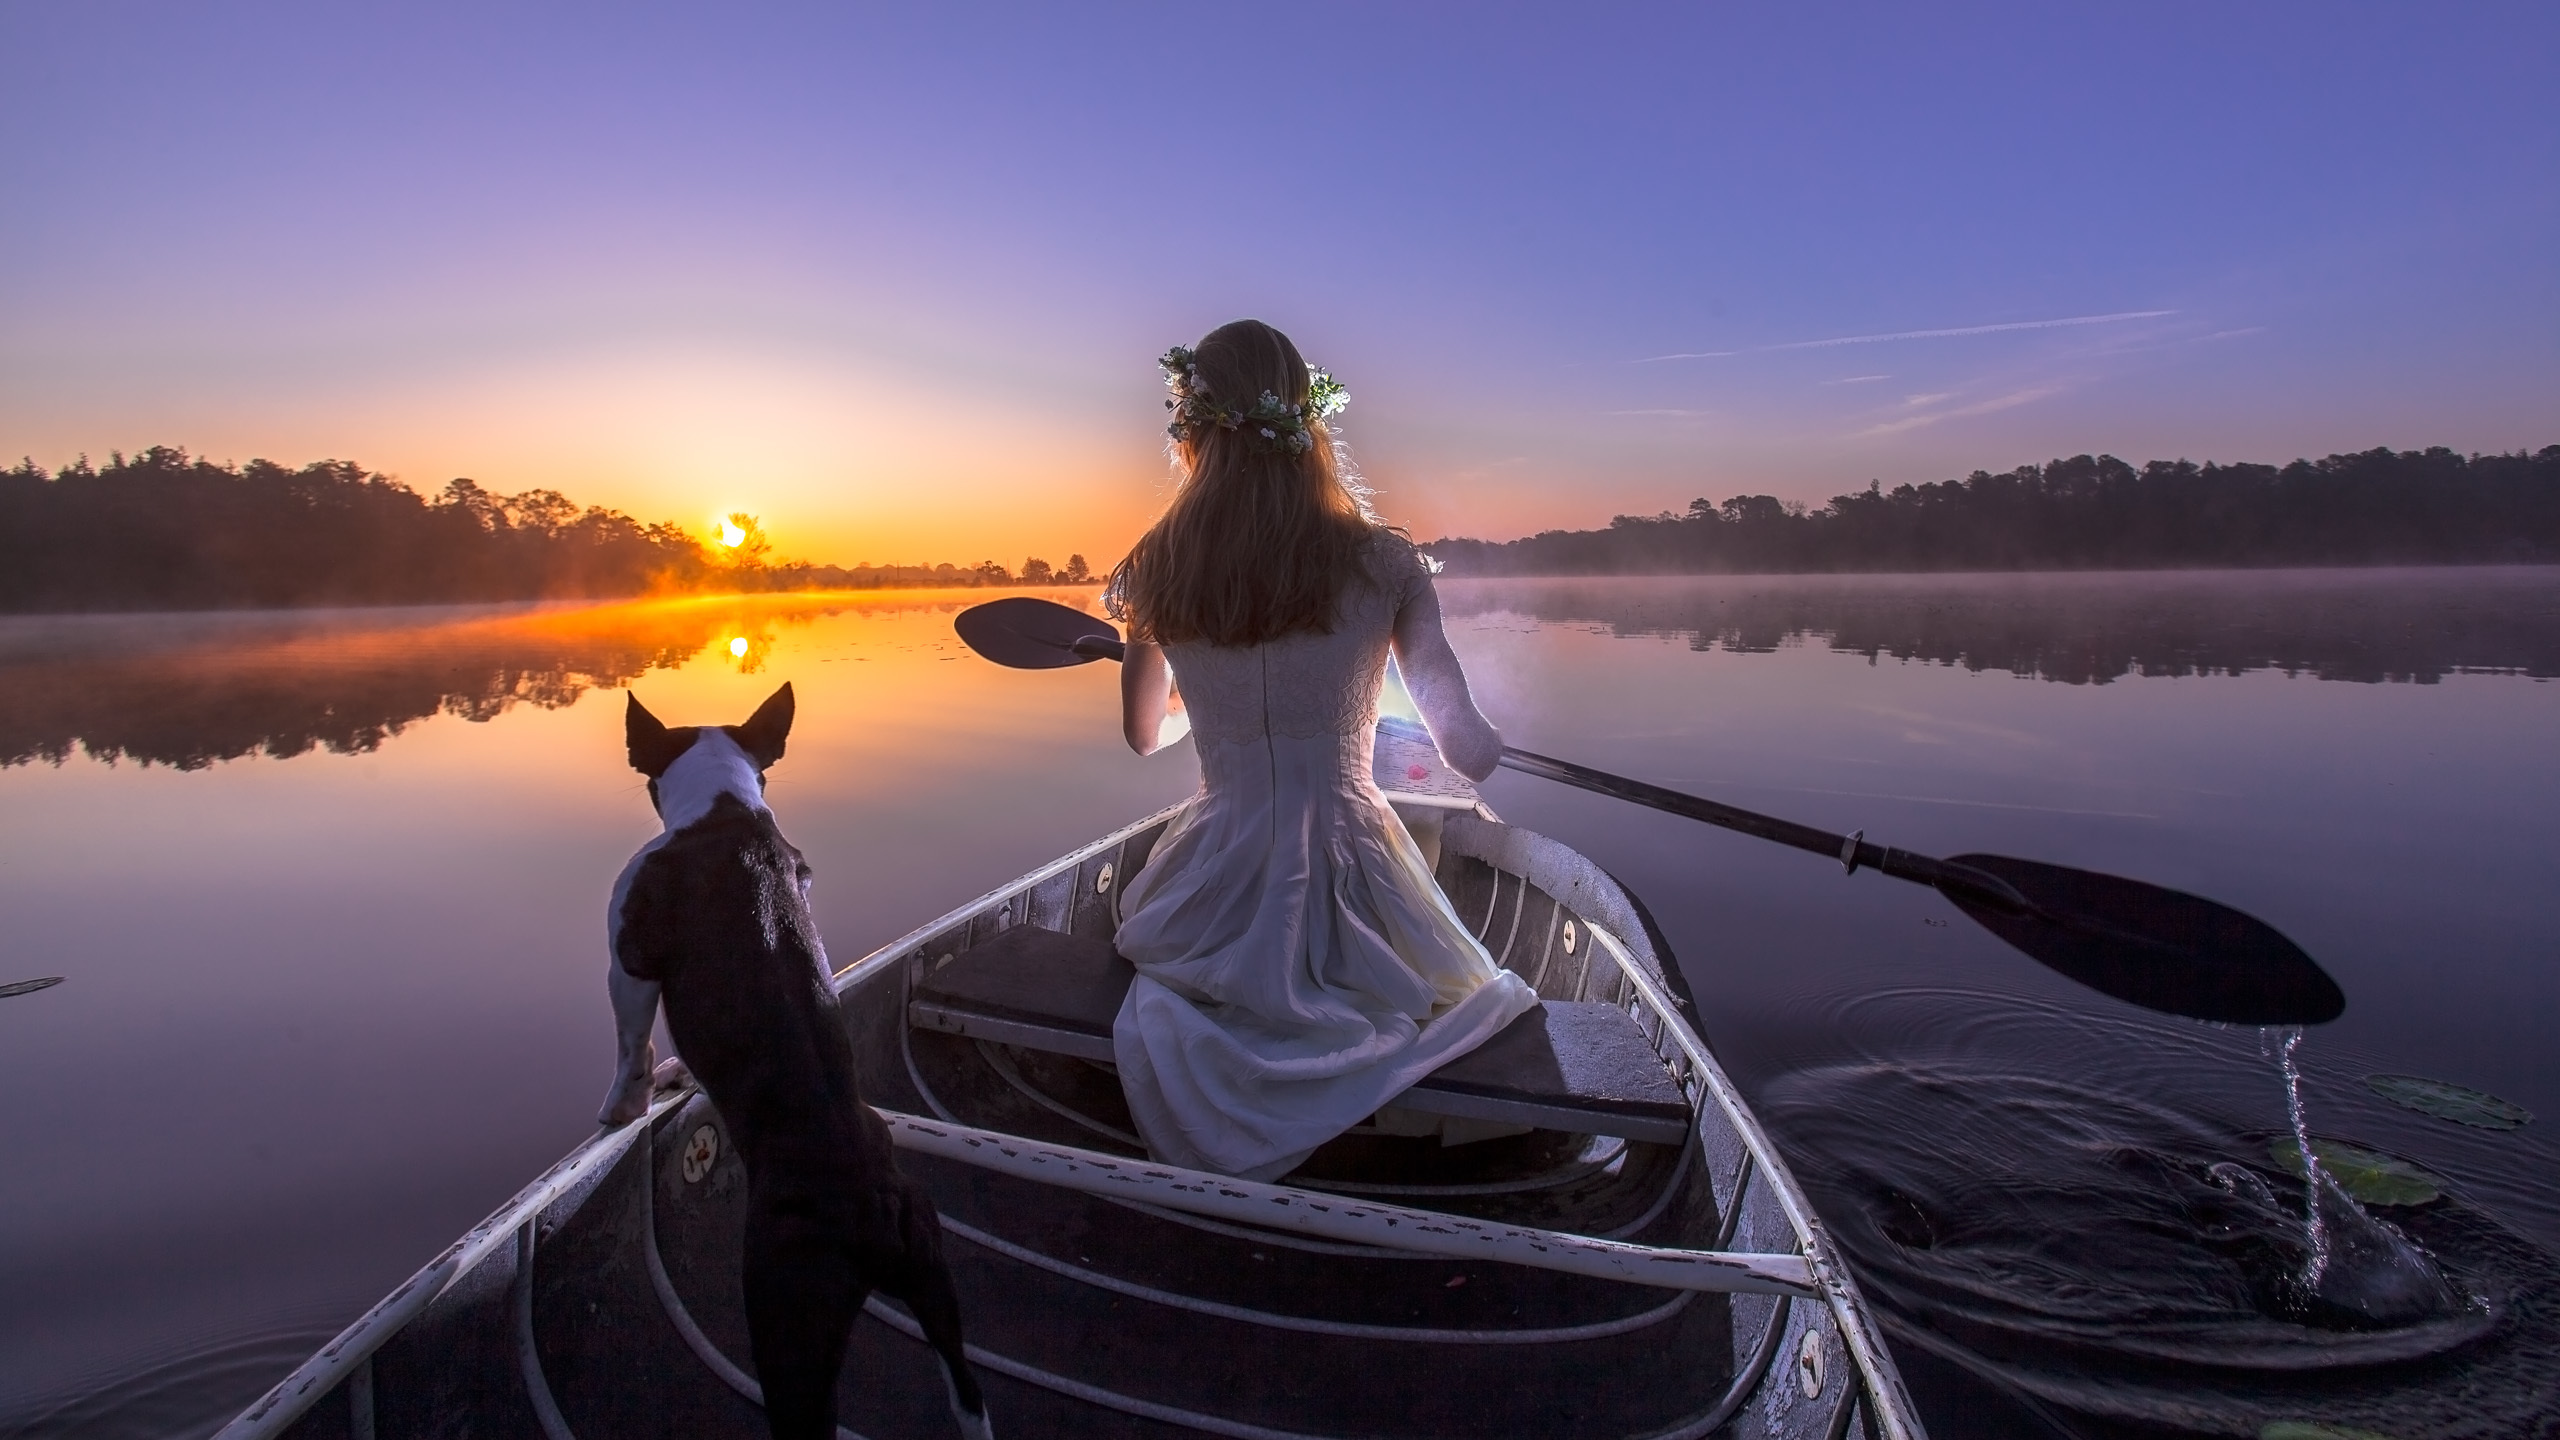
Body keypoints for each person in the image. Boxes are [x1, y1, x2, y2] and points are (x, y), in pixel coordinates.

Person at [1106, 319, 1540, 1181]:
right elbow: (1463, 746)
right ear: (1309, 421)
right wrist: (1483, 741)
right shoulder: (1384, 562)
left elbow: (1144, 735)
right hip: (1351, 870)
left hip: (1212, 885)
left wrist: (1199, 699)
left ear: (1191, 427)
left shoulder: (1155, 567)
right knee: (1451, 996)